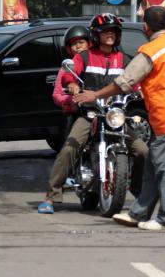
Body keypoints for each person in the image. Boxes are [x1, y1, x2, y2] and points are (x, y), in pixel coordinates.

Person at [75, 6, 165, 230]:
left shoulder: (150, 52)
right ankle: (138, 213)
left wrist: (95, 94)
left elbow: (125, 81)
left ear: (146, 27)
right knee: (153, 165)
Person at [38, 13, 149, 214]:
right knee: (69, 149)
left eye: (113, 31)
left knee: (142, 151)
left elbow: (135, 81)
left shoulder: (124, 59)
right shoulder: (84, 57)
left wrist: (140, 90)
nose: (110, 35)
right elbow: (69, 76)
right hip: (90, 114)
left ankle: (136, 188)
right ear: (96, 34)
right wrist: (72, 85)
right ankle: (51, 196)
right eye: (105, 31)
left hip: (115, 115)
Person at [52, 25, 91, 114]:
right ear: (69, 49)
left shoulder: (96, 62)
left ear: (89, 44)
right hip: (78, 111)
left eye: (81, 42)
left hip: (98, 108)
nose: (78, 46)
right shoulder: (67, 66)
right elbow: (57, 95)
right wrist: (73, 99)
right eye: (74, 44)